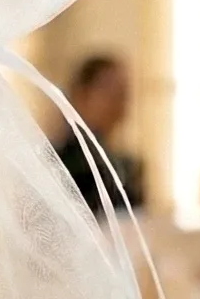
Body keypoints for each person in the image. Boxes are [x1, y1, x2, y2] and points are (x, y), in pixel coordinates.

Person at [56, 53, 144, 212]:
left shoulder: (128, 165)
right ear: (82, 95)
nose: (118, 103)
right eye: (109, 92)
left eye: (122, 94)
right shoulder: (60, 163)